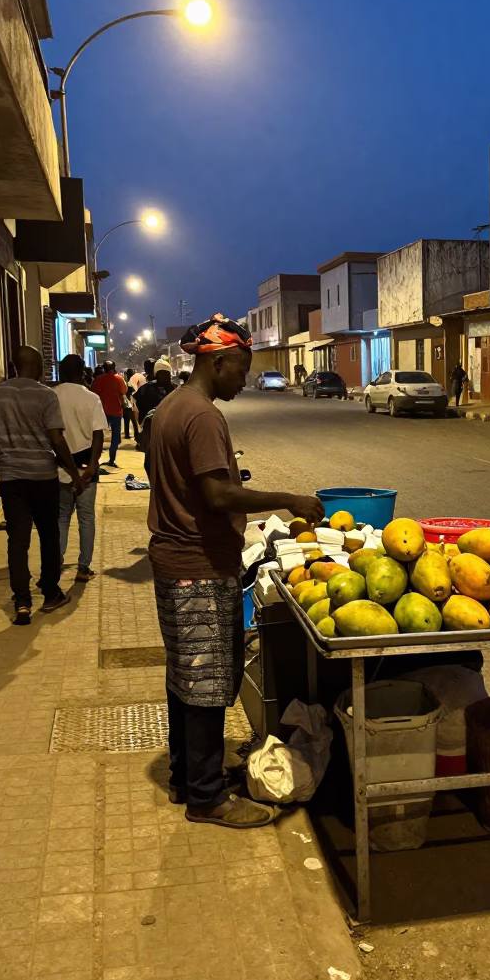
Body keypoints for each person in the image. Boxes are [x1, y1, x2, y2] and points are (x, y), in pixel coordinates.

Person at [148, 313, 323, 828]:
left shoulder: (170, 407)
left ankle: (188, 777)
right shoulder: (202, 416)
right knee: (205, 684)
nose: (244, 380)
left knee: (185, 677)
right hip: (198, 565)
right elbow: (217, 493)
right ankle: (207, 799)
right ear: (216, 361)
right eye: (240, 369)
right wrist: (288, 499)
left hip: (175, 560)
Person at [0, 346, 82, 625]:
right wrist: (74, 473)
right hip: (43, 477)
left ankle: (22, 602)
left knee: (18, 540)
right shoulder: (46, 395)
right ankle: (50, 592)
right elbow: (57, 440)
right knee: (48, 535)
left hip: (12, 479)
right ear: (37, 367)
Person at [54, 354, 108, 582]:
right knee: (86, 518)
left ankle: (55, 563)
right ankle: (83, 567)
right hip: (86, 466)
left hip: (59, 466)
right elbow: (98, 434)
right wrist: (92, 466)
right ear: (83, 371)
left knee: (61, 517)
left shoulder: (51, 396)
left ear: (61, 371)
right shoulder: (91, 398)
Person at [135, 359, 177, 476]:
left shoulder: (146, 389)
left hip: (167, 432)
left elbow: (139, 405)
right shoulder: (176, 389)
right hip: (157, 432)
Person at [90, 359, 128, 467]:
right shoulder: (119, 379)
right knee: (115, 437)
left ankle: (94, 460)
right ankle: (111, 460)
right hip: (116, 411)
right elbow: (123, 393)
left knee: (98, 436)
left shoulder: (99, 379)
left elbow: (93, 393)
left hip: (101, 412)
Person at [122, 369, 139, 442]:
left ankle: (127, 434)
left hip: (127, 403)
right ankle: (136, 435)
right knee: (134, 421)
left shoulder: (125, 382)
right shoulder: (132, 383)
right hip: (132, 403)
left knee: (127, 420)